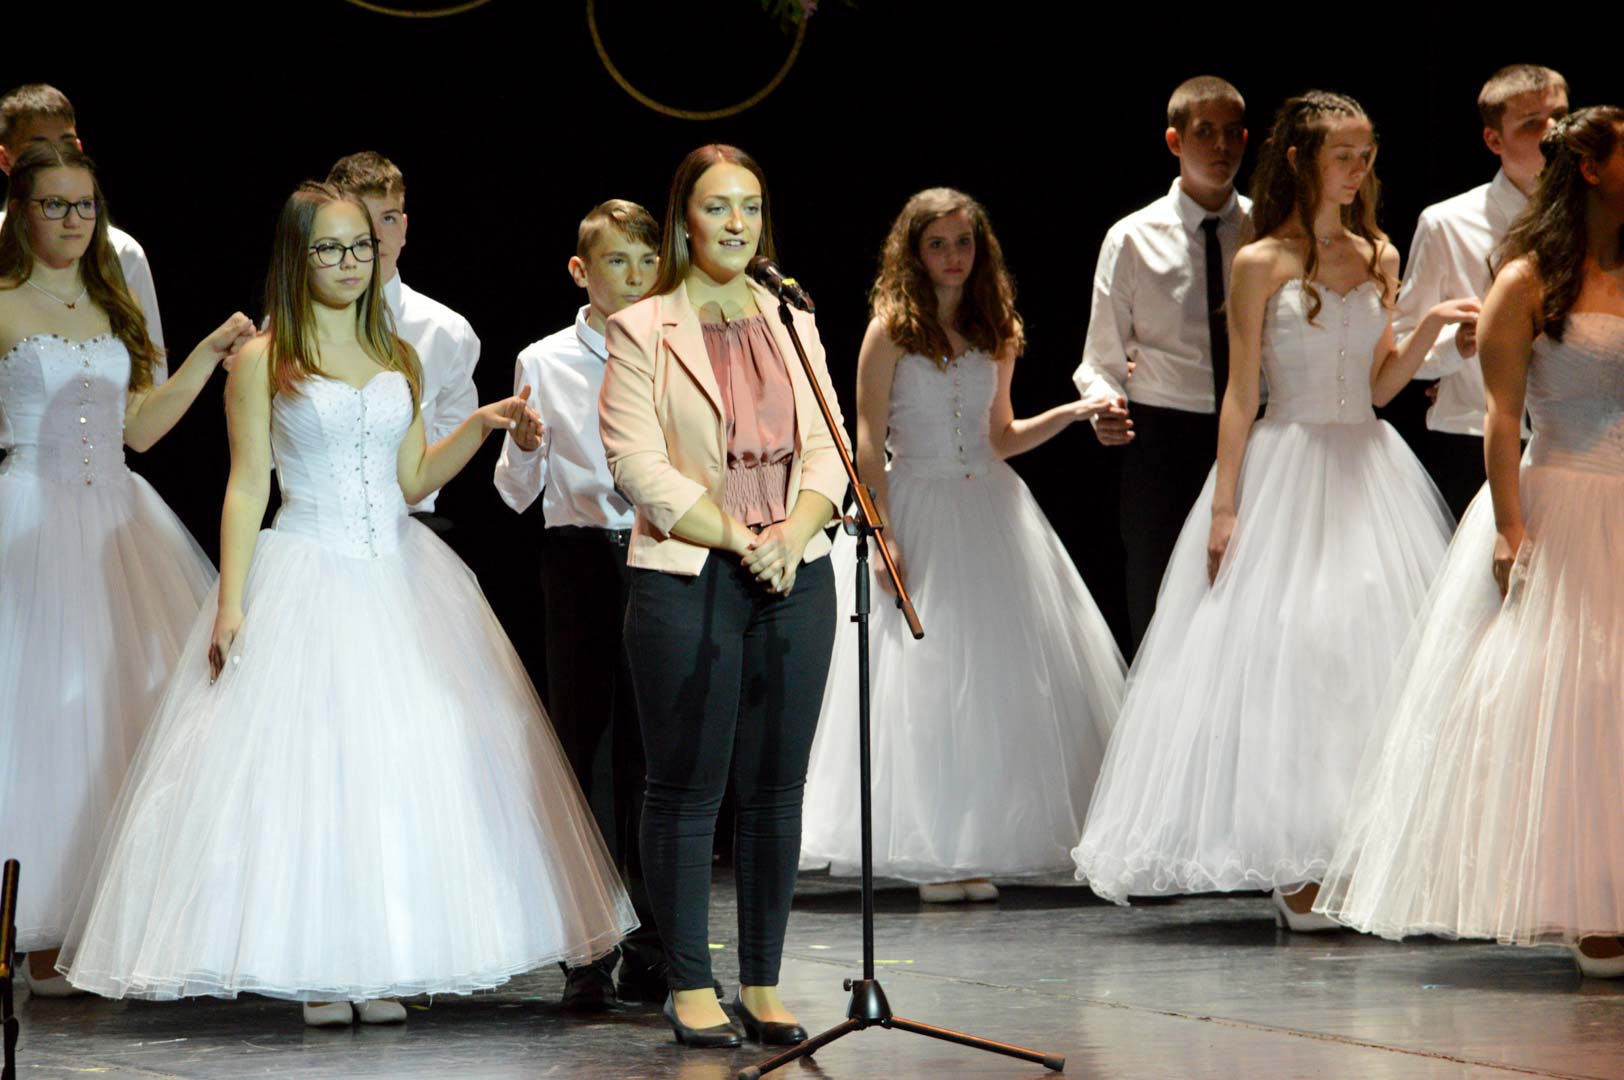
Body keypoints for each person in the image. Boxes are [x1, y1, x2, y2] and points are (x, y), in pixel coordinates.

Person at [57, 181, 636, 1025]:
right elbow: (247, 486)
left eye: (359, 246)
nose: (348, 263)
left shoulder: (396, 355)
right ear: (297, 257)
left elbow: (410, 477)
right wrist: (231, 601)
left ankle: (383, 961)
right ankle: (322, 972)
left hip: (399, 574)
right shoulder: (264, 359)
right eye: (328, 248)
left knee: (401, 766)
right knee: (315, 771)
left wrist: (482, 425)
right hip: (308, 566)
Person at [1072, 91, 1474, 929]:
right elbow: (1240, 392)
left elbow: (1378, 386)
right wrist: (1225, 505)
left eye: (1365, 155)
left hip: (1367, 465)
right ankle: (1296, 861)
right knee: (1294, 652)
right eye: (1342, 155)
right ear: (1300, 159)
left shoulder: (1380, 253)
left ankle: (1356, 851)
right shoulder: (1261, 261)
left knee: (1363, 655)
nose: (1358, 170)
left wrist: (1431, 324)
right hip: (1287, 462)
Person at [1315, 106, 1624, 978]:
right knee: (1579, 695)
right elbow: (1499, 414)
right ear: (1591, 169)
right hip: (1563, 492)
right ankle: (1591, 900)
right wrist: (1512, 528)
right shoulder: (1527, 279)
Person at [799, 188, 1126, 903]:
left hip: (989, 507)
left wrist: (1073, 413)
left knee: (998, 681)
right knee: (928, 676)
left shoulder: (995, 329)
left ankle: (979, 841)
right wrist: (882, 530)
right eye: (938, 244)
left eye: (964, 243)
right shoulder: (891, 330)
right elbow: (867, 438)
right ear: (914, 253)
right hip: (916, 502)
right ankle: (937, 853)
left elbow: (1001, 435)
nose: (953, 257)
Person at [598, 144, 847, 1048]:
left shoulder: (792, 315)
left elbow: (829, 444)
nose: (736, 223)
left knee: (777, 787)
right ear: (684, 221)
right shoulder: (643, 327)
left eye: (750, 206)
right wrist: (742, 537)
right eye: (716, 207)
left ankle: (764, 981)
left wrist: (794, 532)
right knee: (686, 787)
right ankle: (689, 983)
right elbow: (636, 463)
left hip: (796, 568)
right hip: (691, 570)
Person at [0, 142, 250, 995]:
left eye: (85, 205)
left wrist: (208, 351)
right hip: (30, 518)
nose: (73, 220)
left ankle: (95, 923)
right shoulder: (3, 302)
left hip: (117, 518)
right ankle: (28, 925)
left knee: (123, 711)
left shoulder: (113, 302)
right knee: (40, 716)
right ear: (21, 212)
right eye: (55, 205)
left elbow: (139, 428)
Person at [493, 198, 665, 1008]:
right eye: (616, 262)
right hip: (581, 558)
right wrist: (526, 447)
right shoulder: (545, 359)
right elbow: (513, 491)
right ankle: (589, 950)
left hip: (662, 551)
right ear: (580, 270)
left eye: (646, 262)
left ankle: (656, 946)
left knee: (655, 754)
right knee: (585, 751)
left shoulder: (676, 346)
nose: (633, 277)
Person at [1073, 75, 1249, 653]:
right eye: (1205, 132)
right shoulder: (1132, 237)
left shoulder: (1267, 230)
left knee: (1251, 600)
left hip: (1254, 432)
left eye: (1232, 133)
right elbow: (1099, 357)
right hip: (1164, 438)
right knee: (1160, 603)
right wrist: (1104, 403)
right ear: (1175, 141)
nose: (1221, 146)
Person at [1394, 64, 1569, 517]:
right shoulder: (1446, 223)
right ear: (1494, 140)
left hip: (1574, 443)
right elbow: (1401, 343)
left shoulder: (1594, 217)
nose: (1552, 132)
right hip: (1471, 439)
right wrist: (1456, 347)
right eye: (1531, 123)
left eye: (1560, 116)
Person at [327, 151, 478, 535]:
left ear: (405, 227)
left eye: (389, 218)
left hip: (406, 525)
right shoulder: (291, 326)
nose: (377, 235)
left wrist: (411, 482)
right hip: (318, 526)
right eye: (361, 219)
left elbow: (453, 426)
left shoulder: (445, 331)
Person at [0, 84, 164, 361]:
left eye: (65, 144)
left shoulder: (121, 252)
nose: (56, 157)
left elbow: (151, 369)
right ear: (5, 159)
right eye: (38, 148)